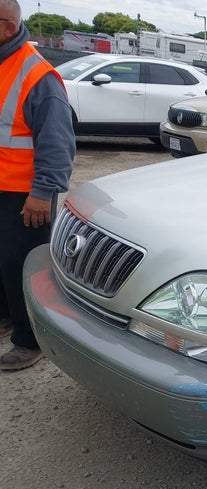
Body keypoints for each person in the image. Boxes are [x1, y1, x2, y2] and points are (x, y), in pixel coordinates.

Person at [0, 0, 75, 370]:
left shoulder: (37, 75)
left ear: (7, 28)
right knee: (2, 261)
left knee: (22, 265)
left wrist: (42, 192)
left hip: (24, 194)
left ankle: (30, 339)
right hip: (2, 188)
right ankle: (7, 316)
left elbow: (57, 142)